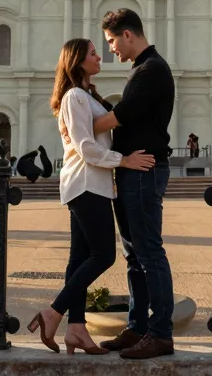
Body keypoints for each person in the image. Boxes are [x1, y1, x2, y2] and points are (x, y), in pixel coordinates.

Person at [27, 38, 155, 355]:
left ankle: (76, 329)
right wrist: (123, 161)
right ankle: (52, 313)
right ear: (78, 61)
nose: (100, 57)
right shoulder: (74, 97)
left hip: (89, 185)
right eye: (93, 53)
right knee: (104, 255)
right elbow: (85, 147)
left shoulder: (86, 96)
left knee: (79, 260)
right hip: (86, 184)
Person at [92, 9, 176, 359]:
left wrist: (81, 125)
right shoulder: (141, 70)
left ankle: (160, 333)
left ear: (128, 34)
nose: (110, 48)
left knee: (149, 252)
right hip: (130, 170)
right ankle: (138, 326)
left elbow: (120, 116)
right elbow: (125, 115)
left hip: (143, 170)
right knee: (133, 255)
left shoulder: (151, 70)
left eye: (111, 41)